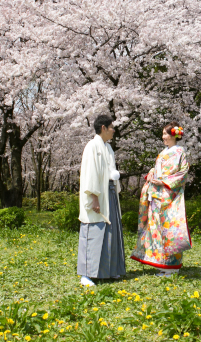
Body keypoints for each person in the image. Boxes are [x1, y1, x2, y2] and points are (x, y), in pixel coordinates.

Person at [131, 122, 191, 276]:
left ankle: (172, 266)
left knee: (170, 229)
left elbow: (182, 173)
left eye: (166, 134)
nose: (163, 137)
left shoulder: (179, 152)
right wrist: (151, 173)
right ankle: (161, 264)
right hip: (157, 195)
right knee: (156, 230)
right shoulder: (164, 151)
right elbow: (157, 168)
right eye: (163, 134)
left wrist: (164, 182)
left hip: (169, 197)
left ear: (174, 135)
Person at [77, 114, 126, 286]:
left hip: (110, 193)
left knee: (111, 231)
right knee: (94, 231)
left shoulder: (108, 148)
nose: (114, 130)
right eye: (112, 127)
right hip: (98, 195)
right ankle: (86, 274)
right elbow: (90, 174)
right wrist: (94, 198)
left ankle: (109, 270)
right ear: (103, 128)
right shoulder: (92, 146)